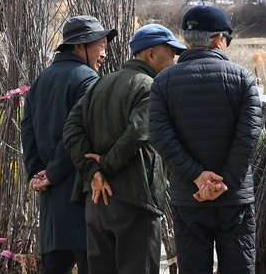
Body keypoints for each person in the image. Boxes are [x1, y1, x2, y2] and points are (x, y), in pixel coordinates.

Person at [63, 24, 186, 274]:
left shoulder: (99, 84)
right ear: (150, 54)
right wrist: (104, 168)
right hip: (134, 198)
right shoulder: (151, 87)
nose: (174, 60)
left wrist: (93, 173)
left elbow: (71, 130)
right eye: (170, 53)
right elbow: (139, 132)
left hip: (96, 201)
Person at [148, 6, 262, 274]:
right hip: (234, 198)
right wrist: (226, 182)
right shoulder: (243, 78)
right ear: (218, 39)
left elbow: (159, 136)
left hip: (190, 197)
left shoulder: (163, 81)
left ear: (188, 40)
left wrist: (198, 177)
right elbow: (249, 135)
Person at [21, 15, 117, 274]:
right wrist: (51, 173)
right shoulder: (87, 80)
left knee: (53, 266)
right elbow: (76, 136)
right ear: (79, 46)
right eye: (101, 46)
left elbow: (27, 130)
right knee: (91, 263)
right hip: (81, 191)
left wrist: (35, 173)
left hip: (52, 198)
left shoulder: (40, 81)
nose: (104, 54)